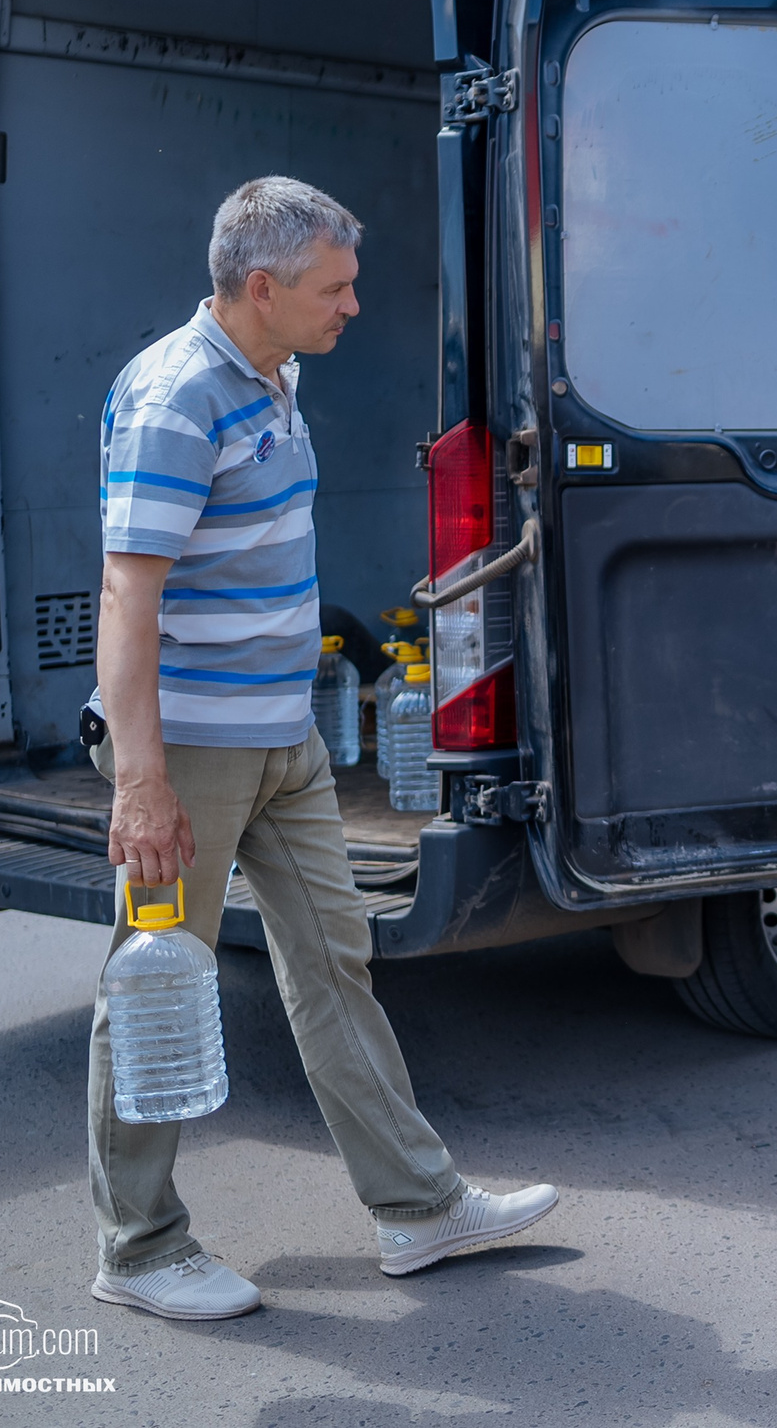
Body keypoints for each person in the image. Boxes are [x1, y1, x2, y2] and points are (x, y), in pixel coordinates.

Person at [89, 177, 557, 1319]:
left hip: (281, 741)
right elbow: (124, 595)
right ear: (262, 287)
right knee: (155, 986)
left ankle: (418, 1207)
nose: (355, 304)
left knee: (333, 961)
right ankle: (139, 1250)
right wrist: (143, 784)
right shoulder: (176, 398)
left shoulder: (274, 376)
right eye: (335, 287)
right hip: (190, 756)